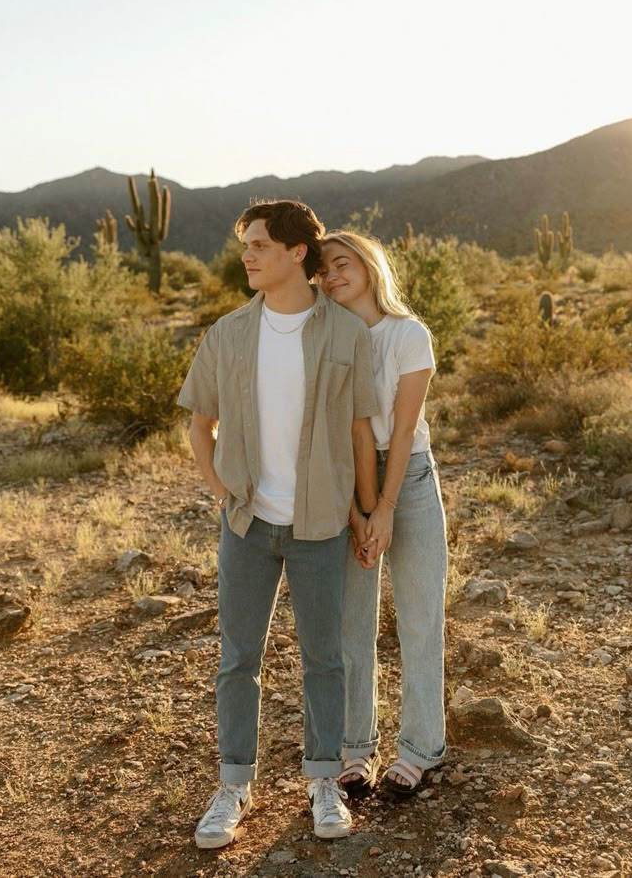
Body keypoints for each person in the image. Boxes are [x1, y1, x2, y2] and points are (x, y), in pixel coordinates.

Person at [178, 201, 378, 848]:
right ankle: (233, 783)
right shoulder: (229, 333)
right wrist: (221, 490)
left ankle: (323, 780)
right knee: (238, 658)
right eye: (246, 245)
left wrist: (368, 513)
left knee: (326, 659)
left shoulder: (345, 334)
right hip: (247, 524)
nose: (248, 255)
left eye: (260, 244)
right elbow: (198, 421)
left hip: (320, 523)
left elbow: (359, 430)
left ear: (298, 252)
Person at [316, 231, 448, 798]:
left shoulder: (407, 334)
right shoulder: (324, 340)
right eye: (322, 271)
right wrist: (355, 509)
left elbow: (399, 430)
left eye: (342, 264)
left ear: (369, 267)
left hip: (409, 476)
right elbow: (329, 430)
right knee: (351, 623)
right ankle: (354, 751)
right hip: (345, 479)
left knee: (419, 617)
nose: (331, 277)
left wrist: (385, 508)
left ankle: (421, 749)